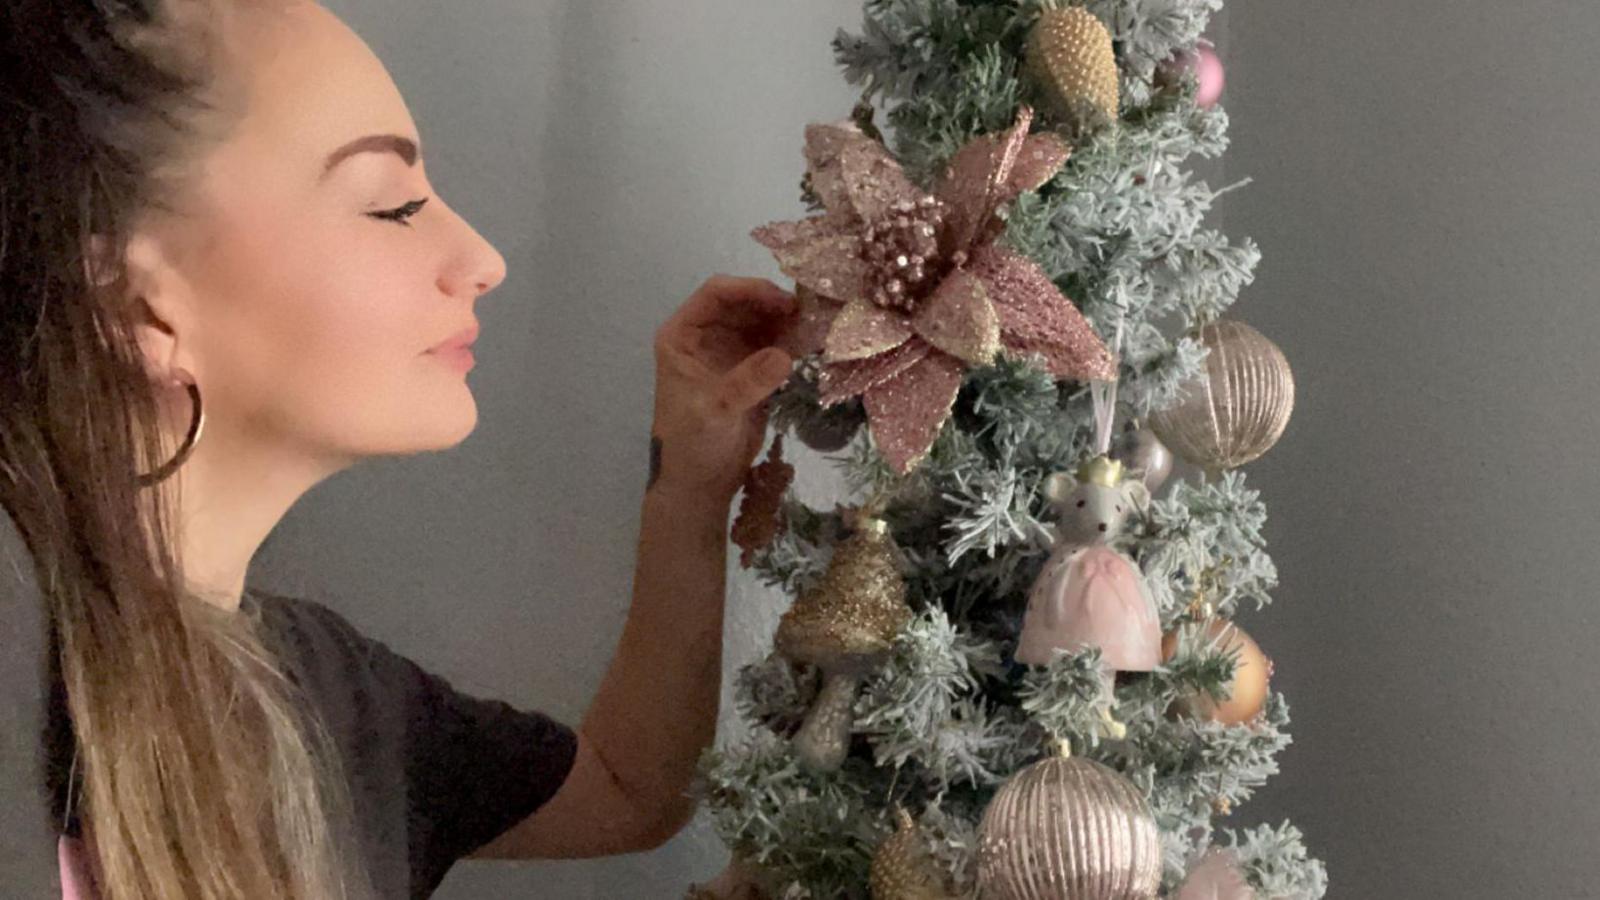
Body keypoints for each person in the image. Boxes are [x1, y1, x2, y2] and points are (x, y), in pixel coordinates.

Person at [0, 1, 799, 897]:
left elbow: (628, 789)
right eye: (392, 205)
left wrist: (690, 484)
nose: (483, 257)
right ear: (140, 311)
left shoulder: (332, 699)